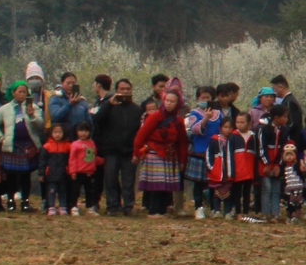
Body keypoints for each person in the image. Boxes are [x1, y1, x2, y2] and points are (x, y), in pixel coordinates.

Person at [133, 86, 188, 215]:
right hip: (154, 154)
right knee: (156, 185)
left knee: (165, 185)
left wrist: (182, 160)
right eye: (167, 100)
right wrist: (136, 153)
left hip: (169, 155)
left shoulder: (178, 120)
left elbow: (182, 142)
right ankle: (153, 211)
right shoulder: (155, 117)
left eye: (172, 101)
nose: (168, 104)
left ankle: (162, 210)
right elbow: (141, 136)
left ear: (177, 103)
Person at [0, 83, 44, 211]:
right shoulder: (5, 108)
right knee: (11, 175)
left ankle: (25, 201)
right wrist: (1, 138)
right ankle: (10, 201)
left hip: (28, 146)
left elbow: (40, 125)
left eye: (25, 92)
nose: (22, 94)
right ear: (13, 92)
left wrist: (32, 116)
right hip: (12, 146)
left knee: (26, 175)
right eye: (20, 91)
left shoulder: (33, 107)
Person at [93, 78, 141, 215]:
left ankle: (128, 206)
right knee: (110, 179)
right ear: (116, 91)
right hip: (111, 151)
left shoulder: (136, 110)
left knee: (128, 181)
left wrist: (137, 151)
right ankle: (112, 206)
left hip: (129, 151)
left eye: (128, 89)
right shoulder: (109, 106)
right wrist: (109, 104)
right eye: (122, 89)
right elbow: (97, 120)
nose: (125, 92)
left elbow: (139, 132)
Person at [185, 87, 224, 219]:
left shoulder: (219, 114)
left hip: (215, 152)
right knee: (198, 182)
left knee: (213, 181)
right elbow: (194, 129)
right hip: (200, 151)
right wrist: (205, 119)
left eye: (208, 98)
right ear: (198, 99)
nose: (206, 100)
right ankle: (198, 207)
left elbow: (223, 129)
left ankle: (214, 207)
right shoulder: (194, 113)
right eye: (203, 98)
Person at [257, 104, 292, 219]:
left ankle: (275, 214)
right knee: (267, 188)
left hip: (278, 162)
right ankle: (265, 213)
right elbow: (261, 147)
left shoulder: (285, 130)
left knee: (276, 189)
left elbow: (285, 148)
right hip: (265, 162)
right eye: (284, 117)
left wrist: (278, 164)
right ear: (276, 117)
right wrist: (266, 164)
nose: (286, 119)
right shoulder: (263, 128)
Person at [39, 122, 75, 216]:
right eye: (55, 132)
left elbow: (71, 160)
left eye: (59, 132)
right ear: (51, 133)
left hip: (64, 174)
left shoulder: (68, 146)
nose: (57, 134)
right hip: (50, 174)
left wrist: (70, 171)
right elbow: (42, 161)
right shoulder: (46, 147)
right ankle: (51, 207)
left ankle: (63, 207)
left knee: (63, 191)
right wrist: (41, 173)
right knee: (51, 191)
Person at [69, 122, 101, 215]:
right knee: (75, 190)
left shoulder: (91, 143)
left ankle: (90, 207)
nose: (83, 133)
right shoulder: (75, 144)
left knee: (90, 191)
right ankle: (73, 206)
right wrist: (73, 171)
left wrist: (102, 161)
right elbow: (72, 159)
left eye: (86, 131)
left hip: (90, 171)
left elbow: (93, 157)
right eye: (81, 130)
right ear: (77, 132)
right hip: (78, 172)